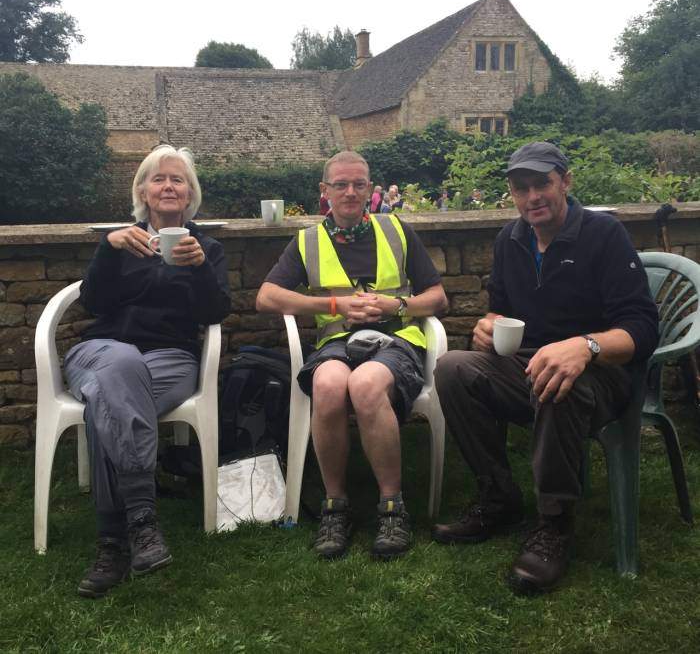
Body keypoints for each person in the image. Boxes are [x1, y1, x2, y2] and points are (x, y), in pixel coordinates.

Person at [432, 142, 658, 595]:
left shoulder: (603, 234)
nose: (532, 196)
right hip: (528, 362)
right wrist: (488, 325)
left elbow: (643, 329)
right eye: (521, 188)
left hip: (603, 374)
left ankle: (554, 522)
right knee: (453, 368)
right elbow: (500, 309)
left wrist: (586, 346)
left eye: (542, 184)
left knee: (560, 381)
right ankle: (498, 496)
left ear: (565, 182)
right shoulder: (509, 239)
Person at [256, 151, 447, 560]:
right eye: (340, 185)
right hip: (338, 342)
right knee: (327, 384)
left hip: (397, 339)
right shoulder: (307, 240)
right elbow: (266, 297)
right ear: (324, 191)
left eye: (359, 184)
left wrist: (395, 306)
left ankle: (392, 507)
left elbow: (437, 297)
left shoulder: (397, 230)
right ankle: (335, 506)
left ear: (370, 189)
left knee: (365, 385)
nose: (350, 192)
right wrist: (334, 307)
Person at [64, 145, 230, 598]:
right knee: (118, 366)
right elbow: (93, 304)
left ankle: (112, 542)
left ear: (190, 193)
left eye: (178, 179)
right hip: (99, 351)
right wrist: (107, 247)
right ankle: (142, 521)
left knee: (106, 404)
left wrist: (198, 269)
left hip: (170, 358)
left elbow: (216, 312)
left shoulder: (206, 248)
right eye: (159, 179)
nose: (169, 186)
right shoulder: (120, 244)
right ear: (142, 190)